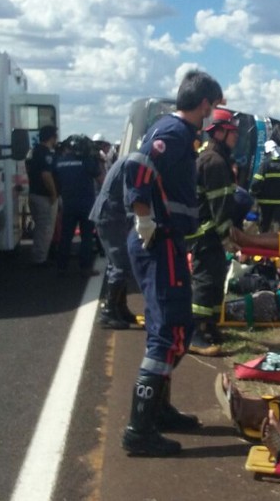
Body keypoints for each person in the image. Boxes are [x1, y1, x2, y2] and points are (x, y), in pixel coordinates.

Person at [121, 70, 223, 456]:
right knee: (168, 333)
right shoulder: (175, 132)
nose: (214, 114)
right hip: (158, 238)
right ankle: (139, 428)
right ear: (204, 105)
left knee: (173, 327)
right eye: (214, 106)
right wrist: (143, 216)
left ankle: (159, 409)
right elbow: (138, 164)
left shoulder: (178, 132)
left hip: (167, 239)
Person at [188, 107, 241, 357]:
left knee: (215, 278)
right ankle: (194, 334)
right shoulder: (214, 161)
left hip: (208, 232)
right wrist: (226, 237)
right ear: (219, 132)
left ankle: (208, 326)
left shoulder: (214, 157)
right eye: (233, 133)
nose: (236, 138)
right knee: (205, 281)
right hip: (205, 232)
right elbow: (219, 205)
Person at [89, 156, 137, 329]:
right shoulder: (134, 164)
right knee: (122, 264)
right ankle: (109, 310)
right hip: (111, 217)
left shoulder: (130, 161)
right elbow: (129, 197)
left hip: (112, 216)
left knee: (116, 263)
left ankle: (119, 307)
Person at [54, 134, 103, 276]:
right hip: (86, 203)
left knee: (66, 235)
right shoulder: (87, 161)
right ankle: (85, 267)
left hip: (68, 203)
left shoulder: (60, 161)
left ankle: (61, 267)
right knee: (86, 236)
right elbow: (101, 179)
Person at [26, 125, 59, 267]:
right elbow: (46, 175)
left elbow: (28, 168)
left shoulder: (33, 152)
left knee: (40, 226)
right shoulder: (45, 154)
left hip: (33, 192)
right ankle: (39, 259)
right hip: (44, 196)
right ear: (52, 137)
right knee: (45, 228)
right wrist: (53, 194)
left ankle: (39, 255)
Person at [251, 140, 280, 233]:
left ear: (267, 151)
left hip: (266, 202)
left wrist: (253, 192)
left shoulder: (265, 165)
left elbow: (256, 182)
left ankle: (263, 245)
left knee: (264, 227)